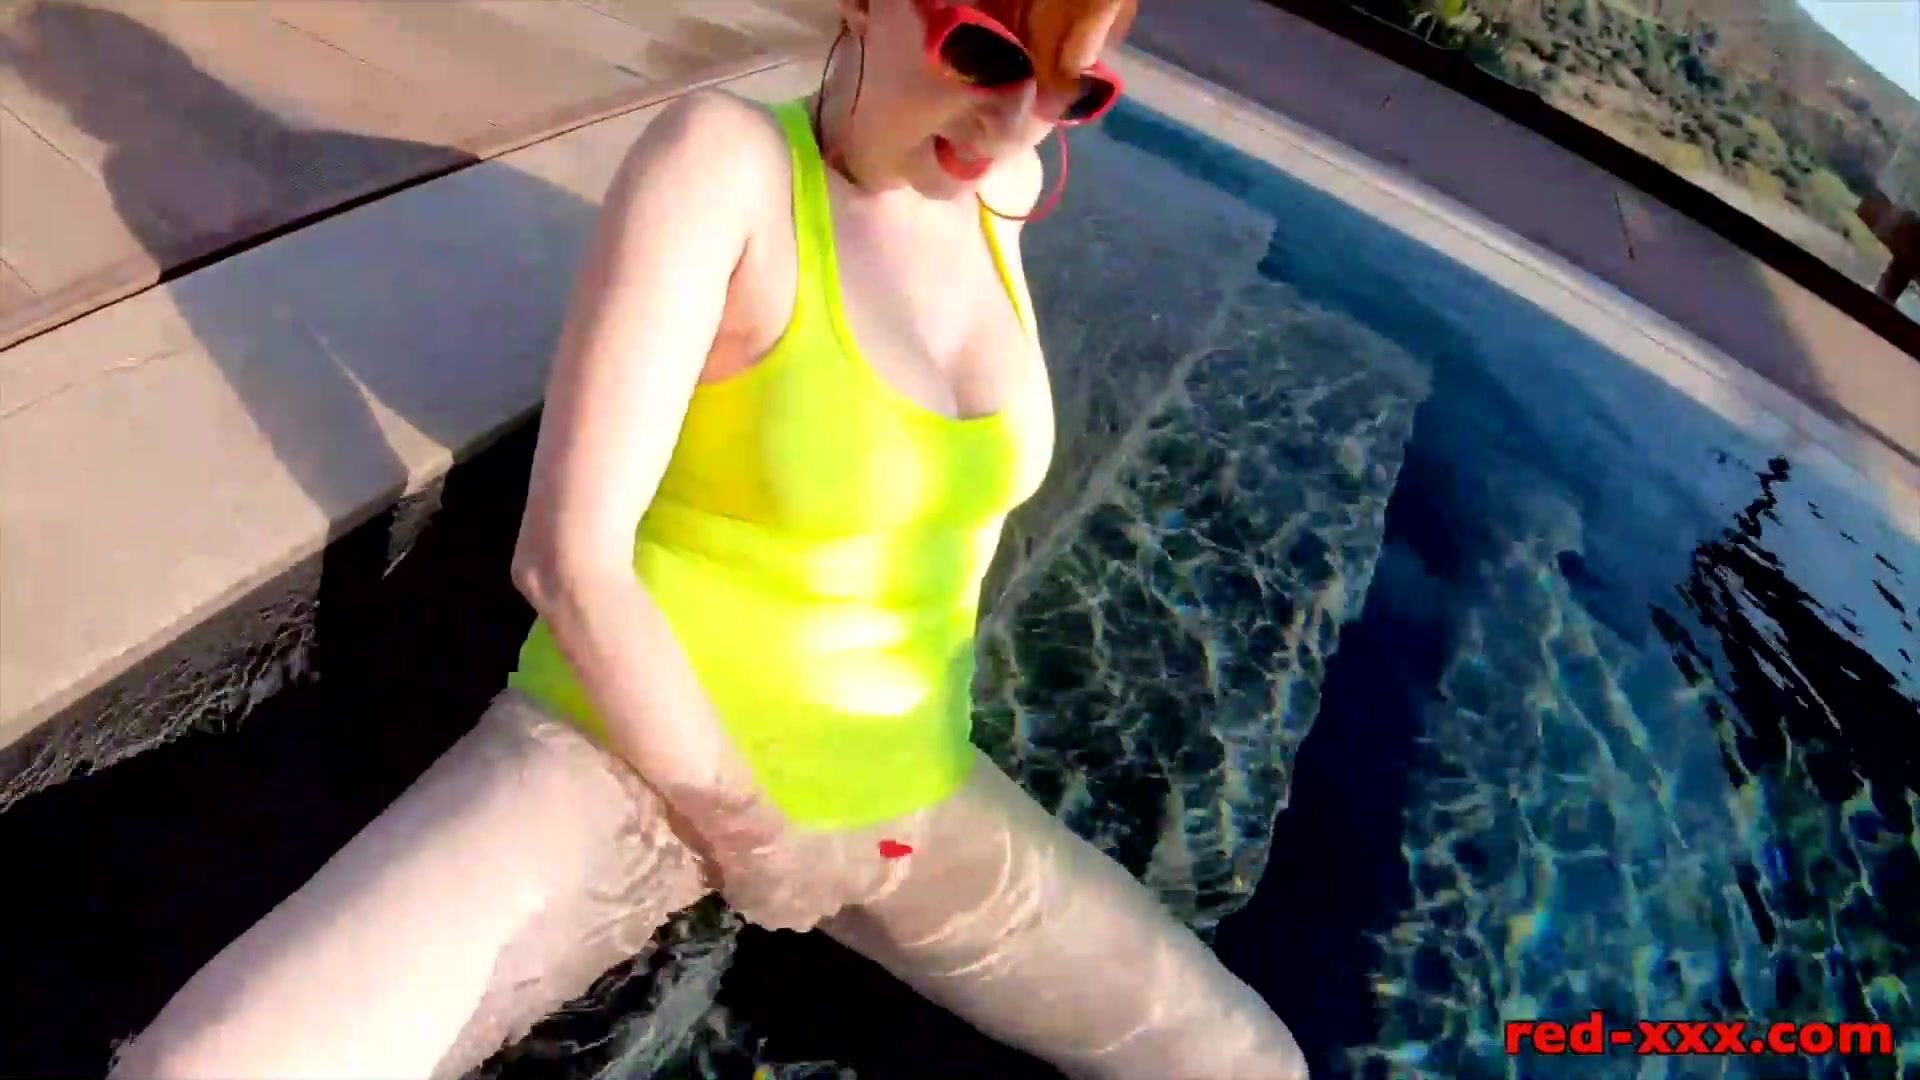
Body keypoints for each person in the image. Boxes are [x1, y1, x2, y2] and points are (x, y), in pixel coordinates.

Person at [107, 2, 1309, 1077]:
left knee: (1251, 1064)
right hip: (630, 759)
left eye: (1069, 90)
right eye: (985, 55)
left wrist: (867, 803)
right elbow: (567, 558)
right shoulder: (723, 168)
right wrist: (758, 832)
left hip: (908, 795)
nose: (1013, 126)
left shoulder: (997, 193)